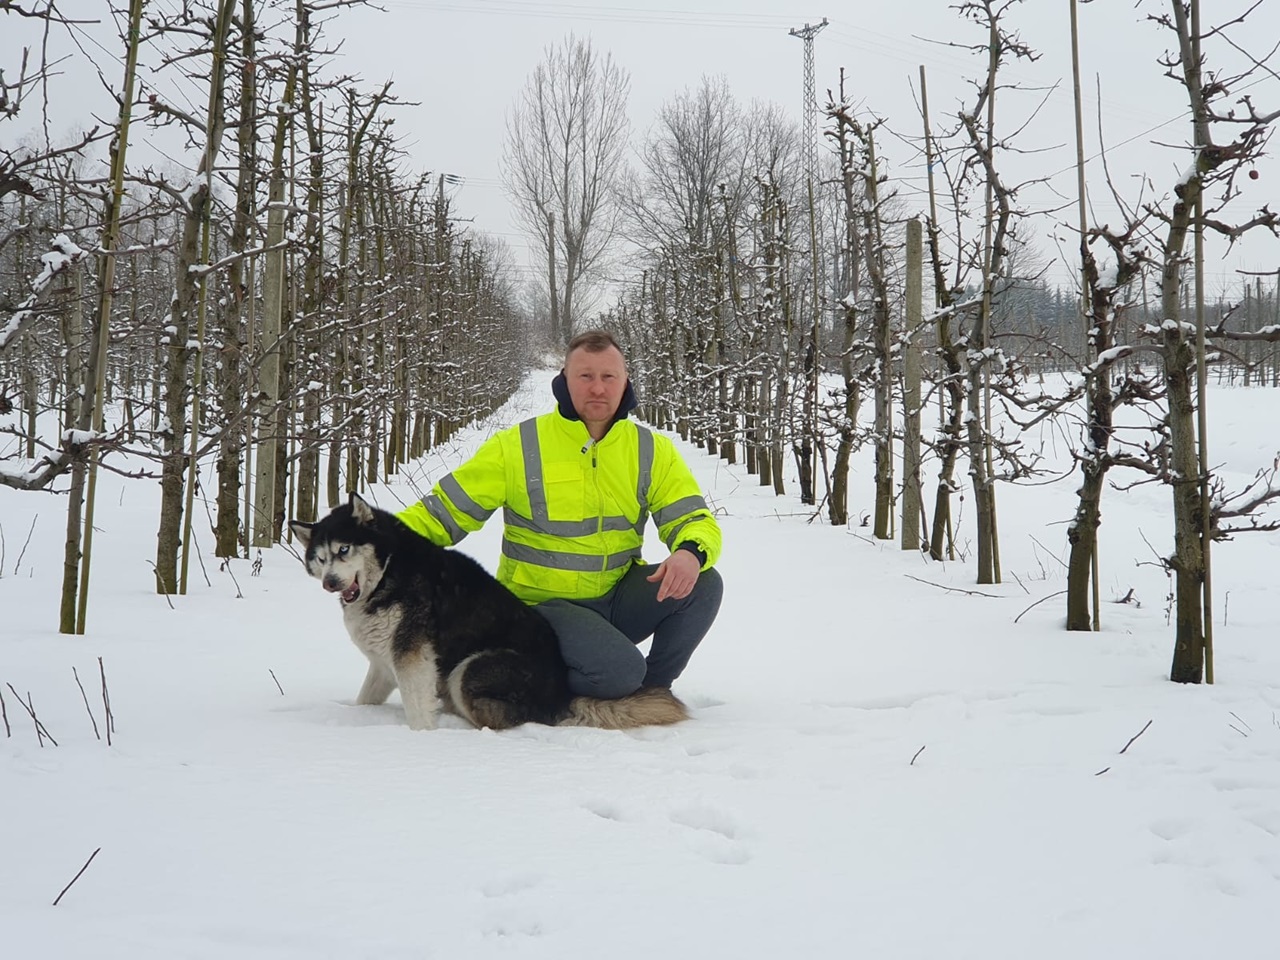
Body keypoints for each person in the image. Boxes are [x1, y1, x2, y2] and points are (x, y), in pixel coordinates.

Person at [397, 329, 723, 700]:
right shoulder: (518, 446)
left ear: (625, 381)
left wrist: (688, 552)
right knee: (618, 673)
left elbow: (693, 517)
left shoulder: (651, 450)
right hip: (538, 608)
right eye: (585, 376)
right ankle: (506, 676)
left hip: (614, 597)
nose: (597, 388)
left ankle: (650, 690)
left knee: (704, 583)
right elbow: (444, 513)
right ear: (564, 380)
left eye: (608, 377)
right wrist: (375, 544)